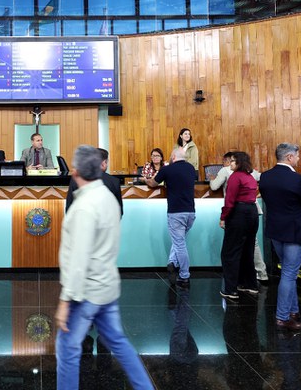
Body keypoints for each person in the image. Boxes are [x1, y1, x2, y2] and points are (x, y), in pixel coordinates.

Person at [54, 145, 153, 390]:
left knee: (67, 348)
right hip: (107, 285)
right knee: (118, 342)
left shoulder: (83, 207)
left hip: (86, 292)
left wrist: (66, 300)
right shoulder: (107, 196)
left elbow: (79, 258)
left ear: (75, 171)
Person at [259, 143, 301, 331]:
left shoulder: (265, 177)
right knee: (289, 274)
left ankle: (293, 311)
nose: (299, 159)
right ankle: (282, 317)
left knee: (287, 271)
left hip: (275, 231)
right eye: (297, 156)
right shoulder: (298, 180)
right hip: (295, 232)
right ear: (289, 157)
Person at [210, 151, 268, 283]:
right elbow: (262, 178)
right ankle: (260, 273)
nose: (228, 163)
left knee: (232, 248)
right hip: (252, 210)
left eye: (230, 161)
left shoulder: (227, 172)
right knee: (251, 245)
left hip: (236, 212)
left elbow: (214, 187)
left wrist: (212, 179)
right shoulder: (250, 173)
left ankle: (233, 282)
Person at [145, 147, 197, 286]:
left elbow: (153, 183)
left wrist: (145, 180)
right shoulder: (191, 168)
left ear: (173, 157)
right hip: (191, 212)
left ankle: (184, 276)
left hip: (176, 212)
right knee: (179, 240)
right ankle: (172, 262)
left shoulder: (167, 169)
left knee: (180, 244)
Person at [219, 151, 259, 300]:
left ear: (239, 162)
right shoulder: (250, 177)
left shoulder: (235, 177)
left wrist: (223, 217)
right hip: (252, 213)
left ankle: (230, 289)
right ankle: (250, 284)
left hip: (239, 213)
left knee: (230, 252)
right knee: (247, 250)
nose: (230, 163)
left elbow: (229, 201)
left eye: (233, 161)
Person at [65, 148, 123, 215]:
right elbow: (119, 212)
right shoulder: (114, 181)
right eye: (107, 162)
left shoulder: (76, 179)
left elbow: (69, 209)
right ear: (104, 163)